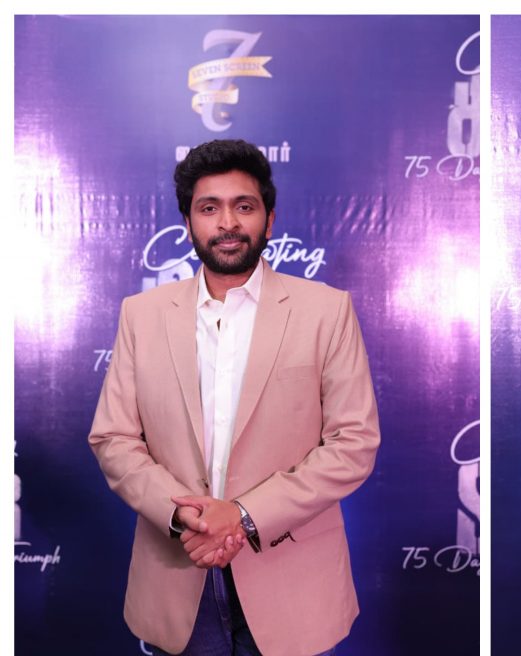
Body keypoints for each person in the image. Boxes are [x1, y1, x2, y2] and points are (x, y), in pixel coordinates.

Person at [89, 139, 380, 656]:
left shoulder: (326, 311)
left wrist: (244, 515)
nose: (227, 223)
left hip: (292, 579)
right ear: (188, 223)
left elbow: (353, 444)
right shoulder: (142, 314)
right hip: (178, 575)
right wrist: (187, 517)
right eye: (209, 208)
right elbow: (113, 438)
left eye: (243, 206)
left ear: (269, 220)